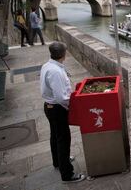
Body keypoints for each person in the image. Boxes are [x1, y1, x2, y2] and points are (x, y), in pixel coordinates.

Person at [40, 42, 85, 183]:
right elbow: (61, 98)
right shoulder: (55, 71)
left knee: (55, 136)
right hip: (57, 109)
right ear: (63, 55)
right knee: (63, 140)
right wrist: (72, 106)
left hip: (49, 106)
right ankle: (67, 174)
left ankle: (58, 161)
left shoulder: (47, 66)